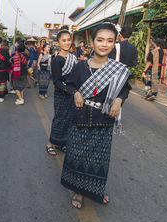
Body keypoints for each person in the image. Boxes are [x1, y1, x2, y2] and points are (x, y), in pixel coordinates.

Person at [61, 22, 131, 209]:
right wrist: (75, 92)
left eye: (109, 41)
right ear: (92, 42)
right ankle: (79, 191)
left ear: (114, 43)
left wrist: (118, 100)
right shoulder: (80, 67)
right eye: (100, 40)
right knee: (77, 157)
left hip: (103, 121)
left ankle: (95, 189)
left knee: (98, 160)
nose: (104, 44)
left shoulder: (118, 70)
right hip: (80, 120)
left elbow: (125, 90)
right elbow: (69, 84)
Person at [46, 26, 77, 156]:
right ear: (58, 42)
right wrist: (68, 90)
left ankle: (62, 143)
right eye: (63, 40)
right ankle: (50, 143)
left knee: (69, 119)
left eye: (68, 40)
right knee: (59, 119)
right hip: (62, 93)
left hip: (72, 94)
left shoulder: (73, 58)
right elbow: (57, 82)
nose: (67, 43)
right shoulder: (57, 60)